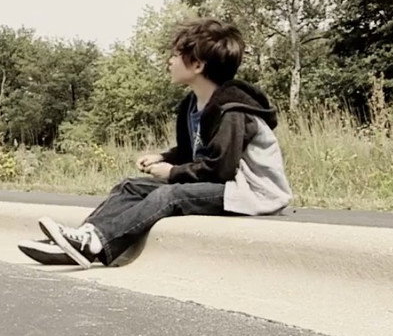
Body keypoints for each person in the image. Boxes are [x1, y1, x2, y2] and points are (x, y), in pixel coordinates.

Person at [19, 18, 292, 269]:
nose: (169, 61)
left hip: (251, 192)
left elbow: (221, 168)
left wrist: (172, 173)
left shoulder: (232, 110)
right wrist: (164, 158)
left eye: (176, 55)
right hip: (224, 184)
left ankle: (96, 243)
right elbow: (191, 153)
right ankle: (83, 238)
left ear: (197, 65)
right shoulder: (191, 105)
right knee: (130, 186)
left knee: (168, 195)